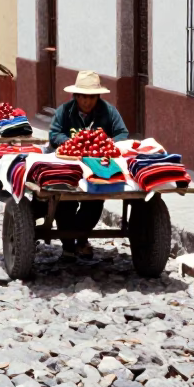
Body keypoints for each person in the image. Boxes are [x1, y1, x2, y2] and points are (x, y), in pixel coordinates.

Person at [46, 71, 129, 261]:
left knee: (95, 200)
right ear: (76, 96)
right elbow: (54, 134)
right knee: (65, 200)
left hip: (98, 166)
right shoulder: (64, 111)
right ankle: (68, 245)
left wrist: (104, 145)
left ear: (98, 96)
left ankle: (81, 238)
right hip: (68, 164)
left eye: (91, 97)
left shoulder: (109, 111)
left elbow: (122, 133)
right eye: (83, 96)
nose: (87, 101)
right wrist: (72, 144)